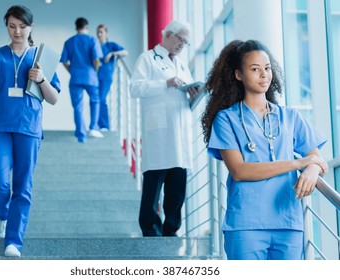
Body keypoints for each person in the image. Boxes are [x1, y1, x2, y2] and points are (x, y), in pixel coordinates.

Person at [201, 39, 328, 260]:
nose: (264, 75)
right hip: (246, 225)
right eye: (255, 69)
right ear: (238, 75)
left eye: (267, 68)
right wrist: (299, 164)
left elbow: (318, 159)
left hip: (289, 224)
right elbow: (240, 171)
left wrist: (311, 170)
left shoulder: (290, 117)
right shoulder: (226, 119)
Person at [0, 5, 60, 257]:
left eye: (22, 26)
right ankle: (6, 215)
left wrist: (42, 79)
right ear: (7, 27)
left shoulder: (43, 58)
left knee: (23, 185)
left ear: (30, 27)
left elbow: (53, 99)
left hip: (28, 128)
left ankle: (13, 241)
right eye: (12, 26)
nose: (17, 31)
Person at [130, 20, 199, 237]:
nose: (182, 45)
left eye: (186, 42)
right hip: (159, 133)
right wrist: (165, 83)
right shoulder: (148, 58)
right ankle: (150, 228)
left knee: (177, 186)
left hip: (180, 131)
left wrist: (194, 96)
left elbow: (183, 94)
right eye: (181, 39)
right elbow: (135, 88)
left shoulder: (182, 65)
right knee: (154, 184)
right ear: (168, 34)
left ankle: (172, 229)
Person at [60, 17, 104, 142]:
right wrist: (94, 72)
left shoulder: (69, 42)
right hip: (91, 76)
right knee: (95, 101)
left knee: (78, 107)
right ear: (87, 27)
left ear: (76, 27)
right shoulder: (92, 40)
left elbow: (63, 60)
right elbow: (96, 59)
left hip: (75, 78)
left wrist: (71, 71)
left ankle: (81, 135)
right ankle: (94, 128)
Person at [96, 24, 128, 131]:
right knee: (96, 99)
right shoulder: (95, 46)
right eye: (98, 32)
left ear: (106, 33)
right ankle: (97, 124)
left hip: (106, 76)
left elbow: (125, 52)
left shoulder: (111, 45)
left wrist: (112, 54)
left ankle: (104, 125)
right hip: (95, 77)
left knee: (101, 98)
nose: (99, 34)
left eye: (101, 32)